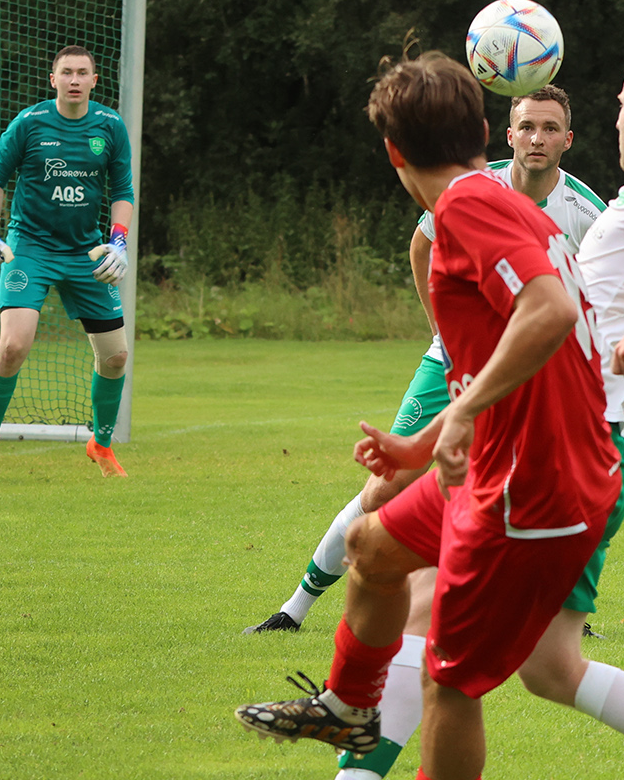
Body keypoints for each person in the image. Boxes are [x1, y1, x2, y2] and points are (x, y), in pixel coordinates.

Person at [256, 42, 624, 780]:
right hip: (578, 441)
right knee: (550, 668)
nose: (613, 113)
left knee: (423, 611)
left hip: (562, 452)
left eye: (617, 98)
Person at [234, 52, 621, 780]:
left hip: (535, 487)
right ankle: (346, 707)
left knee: (451, 680)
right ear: (486, 132)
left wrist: (470, 414)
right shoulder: (489, 199)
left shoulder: (471, 204)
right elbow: (513, 342)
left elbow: (548, 312)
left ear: (391, 152)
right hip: (505, 465)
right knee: (370, 545)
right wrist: (421, 447)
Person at [243, 86, 604, 635]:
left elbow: (588, 297)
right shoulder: (473, 190)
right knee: (386, 488)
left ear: (568, 140)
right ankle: (296, 607)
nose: (537, 138)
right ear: (507, 135)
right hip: (455, 362)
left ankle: (558, 616)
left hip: (530, 367)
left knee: (541, 486)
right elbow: (421, 245)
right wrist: (445, 332)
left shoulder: (586, 213)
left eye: (550, 128)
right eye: (527, 126)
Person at [0, 46, 134, 482]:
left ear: (95, 82)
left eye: (83, 73)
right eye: (67, 72)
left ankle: (100, 443)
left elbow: (123, 191)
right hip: (32, 249)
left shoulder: (111, 127)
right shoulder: (29, 123)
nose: (75, 79)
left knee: (116, 357)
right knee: (14, 346)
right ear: (53, 79)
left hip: (87, 252)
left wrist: (119, 242)